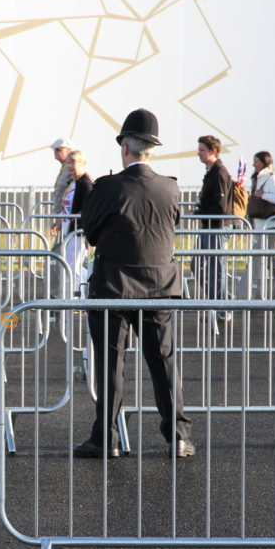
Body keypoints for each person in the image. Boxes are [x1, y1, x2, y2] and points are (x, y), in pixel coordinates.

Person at [75, 108, 193, 459]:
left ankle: (106, 438)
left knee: (111, 366)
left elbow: (90, 232)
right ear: (150, 150)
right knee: (164, 363)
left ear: (125, 147)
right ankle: (179, 437)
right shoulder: (170, 188)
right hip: (160, 287)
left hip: (112, 287)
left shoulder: (108, 187)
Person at [240, 151, 275, 299]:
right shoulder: (260, 178)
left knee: (259, 260)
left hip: (270, 226)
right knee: (269, 261)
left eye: (256, 161)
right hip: (262, 226)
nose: (253, 164)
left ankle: (243, 295)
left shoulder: (273, 178)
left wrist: (263, 195)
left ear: (264, 163)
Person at [194, 135, 233, 316]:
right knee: (197, 264)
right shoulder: (211, 173)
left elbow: (220, 208)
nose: (198, 153)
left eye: (202, 150)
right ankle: (221, 299)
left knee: (216, 269)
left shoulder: (220, 173)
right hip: (208, 227)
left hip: (217, 227)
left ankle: (223, 308)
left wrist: (199, 212)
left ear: (213, 151)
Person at [50, 150, 93, 298]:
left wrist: (88, 232)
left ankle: (79, 296)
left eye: (73, 162)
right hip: (69, 229)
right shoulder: (72, 183)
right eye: (68, 162)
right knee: (71, 264)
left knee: (73, 264)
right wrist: (58, 222)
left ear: (82, 164)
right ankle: (78, 293)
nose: (70, 166)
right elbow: (66, 207)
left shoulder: (85, 183)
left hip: (79, 231)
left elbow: (88, 209)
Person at [49, 137, 74, 218]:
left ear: (69, 150)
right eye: (55, 150)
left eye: (59, 149)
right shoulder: (64, 168)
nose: (56, 152)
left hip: (68, 213)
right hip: (62, 212)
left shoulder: (72, 169)